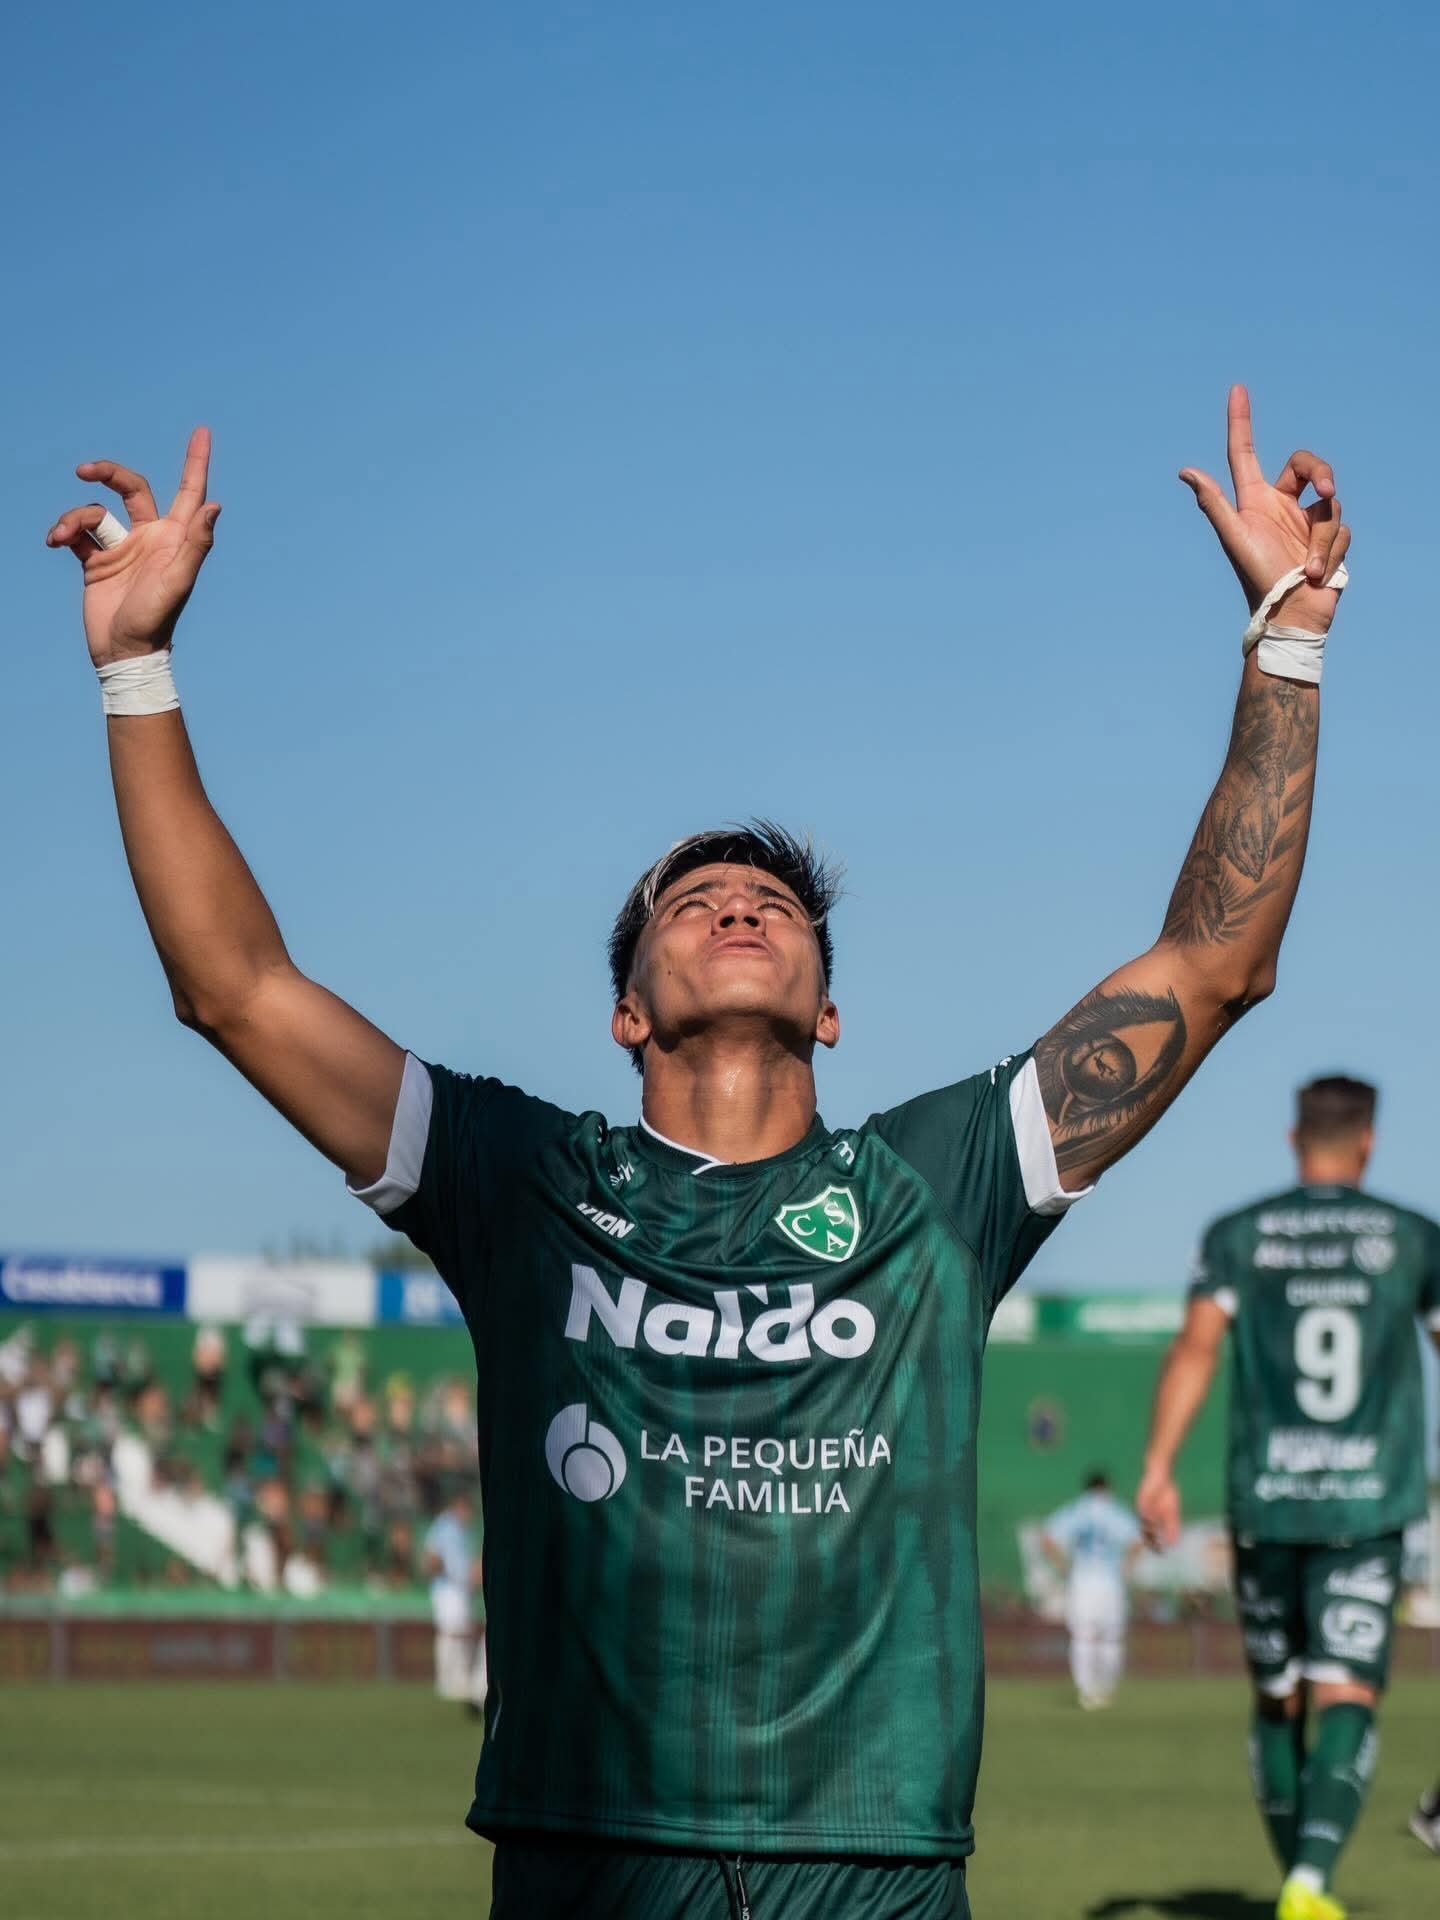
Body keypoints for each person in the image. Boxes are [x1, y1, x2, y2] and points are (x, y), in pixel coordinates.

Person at [46, 387, 1349, 1920]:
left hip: (875, 1869)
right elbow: (237, 988)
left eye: (775, 904)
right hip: (589, 1861)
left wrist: (1287, 635)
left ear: (831, 1010)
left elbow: (1214, 963)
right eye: (692, 900)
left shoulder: (937, 1185)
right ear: (625, 1010)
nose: (738, 902)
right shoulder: (523, 1183)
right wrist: (136, 670)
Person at [1137, 1076, 1440, 1920]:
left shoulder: (1239, 1235)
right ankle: (1310, 1881)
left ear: (1294, 1138)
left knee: (1278, 1697)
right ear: (1369, 1141)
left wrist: (1158, 1467)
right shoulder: (1414, 1238)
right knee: (1348, 1691)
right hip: (1367, 1506)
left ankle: (1300, 1883)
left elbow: (1195, 1350)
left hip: (1266, 1502)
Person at [1038, 1471, 1143, 1710]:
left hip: (1082, 1580)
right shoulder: (1115, 1510)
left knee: (1083, 1636)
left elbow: (1047, 1539)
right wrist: (1126, 1568)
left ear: (1087, 1489)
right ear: (1108, 1488)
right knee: (1112, 1638)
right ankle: (1105, 1690)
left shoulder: (1078, 1510)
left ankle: (1086, 1691)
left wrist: (1064, 1567)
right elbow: (1137, 1542)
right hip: (1110, 1581)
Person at [423, 1488, 487, 1718]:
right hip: (448, 1588)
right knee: (451, 1632)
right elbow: (432, 1555)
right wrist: (444, 1573)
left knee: (460, 1632)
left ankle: (458, 1678)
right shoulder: (445, 1525)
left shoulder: (460, 1530)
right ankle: (447, 1679)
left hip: (460, 1588)